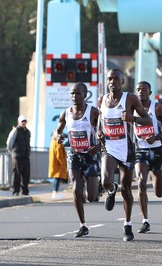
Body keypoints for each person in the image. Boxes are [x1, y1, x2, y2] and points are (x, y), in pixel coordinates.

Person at [97, 69, 152, 241]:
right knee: (105, 180)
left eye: (116, 79)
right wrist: (99, 132)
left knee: (127, 188)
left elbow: (147, 120)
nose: (112, 81)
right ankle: (112, 190)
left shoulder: (130, 99)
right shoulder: (102, 100)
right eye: (109, 79)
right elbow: (101, 119)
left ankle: (127, 225)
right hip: (109, 147)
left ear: (122, 81)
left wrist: (132, 118)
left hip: (127, 149)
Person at [55, 82, 101, 238]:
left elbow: (105, 131)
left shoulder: (94, 112)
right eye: (72, 93)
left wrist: (99, 146)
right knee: (76, 188)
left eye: (78, 93)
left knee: (91, 197)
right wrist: (58, 136)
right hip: (74, 154)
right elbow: (57, 130)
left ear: (85, 95)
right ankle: (82, 225)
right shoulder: (66, 113)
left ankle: (100, 185)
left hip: (90, 155)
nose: (74, 96)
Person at [133, 81, 162, 233]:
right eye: (138, 89)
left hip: (157, 151)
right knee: (141, 183)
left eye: (144, 90)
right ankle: (145, 221)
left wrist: (157, 136)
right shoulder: (131, 109)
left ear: (150, 93)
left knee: (159, 193)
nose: (141, 92)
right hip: (141, 152)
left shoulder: (157, 108)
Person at [6, 115, 31, 196]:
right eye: (22, 121)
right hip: (17, 156)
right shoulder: (15, 131)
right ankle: (16, 191)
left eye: (25, 121)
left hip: (26, 156)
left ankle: (25, 191)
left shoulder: (28, 132)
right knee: (17, 174)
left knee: (26, 175)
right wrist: (13, 152)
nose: (24, 123)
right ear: (19, 122)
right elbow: (9, 143)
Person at [48, 130, 68, 199]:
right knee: (57, 178)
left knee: (56, 178)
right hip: (58, 164)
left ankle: (55, 192)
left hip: (55, 163)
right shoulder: (57, 143)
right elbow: (59, 155)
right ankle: (55, 193)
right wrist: (63, 164)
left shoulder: (52, 142)